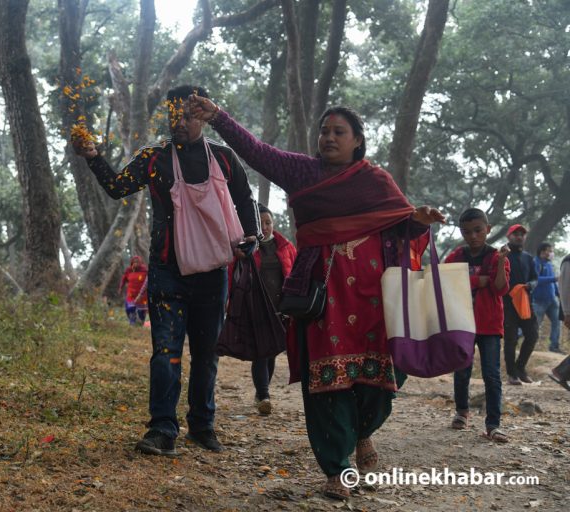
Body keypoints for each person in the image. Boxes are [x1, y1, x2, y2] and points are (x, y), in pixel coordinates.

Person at [188, 96, 444, 500]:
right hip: (323, 295)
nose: (328, 137)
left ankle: (362, 433)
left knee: (382, 380)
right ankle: (338, 468)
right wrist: (218, 116)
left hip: (375, 297)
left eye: (338, 132)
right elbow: (256, 151)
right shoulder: (303, 172)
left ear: (358, 141)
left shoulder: (376, 181)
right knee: (327, 380)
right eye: (324, 131)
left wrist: (418, 219)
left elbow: (399, 224)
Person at [73, 85, 260, 457]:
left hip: (211, 274)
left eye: (189, 115)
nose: (180, 121)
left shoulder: (223, 158)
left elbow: (245, 199)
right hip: (166, 272)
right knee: (165, 353)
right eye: (174, 114)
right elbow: (116, 187)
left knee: (206, 354)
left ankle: (202, 426)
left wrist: (252, 237)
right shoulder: (154, 158)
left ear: (204, 116)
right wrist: (93, 155)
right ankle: (162, 429)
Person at [444, 209, 510, 443]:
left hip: (490, 325)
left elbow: (500, 289)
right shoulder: (456, 257)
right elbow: (444, 281)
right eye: (466, 232)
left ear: (488, 229)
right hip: (462, 323)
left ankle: (493, 424)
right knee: (462, 371)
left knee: (492, 375)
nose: (472, 236)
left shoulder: (495, 257)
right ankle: (462, 412)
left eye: (478, 230)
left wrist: (501, 262)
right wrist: (477, 280)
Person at [249, 204, 297, 415]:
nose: (265, 227)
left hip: (280, 310)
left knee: (271, 354)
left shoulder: (286, 247)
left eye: (268, 222)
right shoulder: (247, 248)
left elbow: (295, 274)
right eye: (260, 223)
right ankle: (264, 394)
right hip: (256, 308)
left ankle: (261, 394)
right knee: (261, 352)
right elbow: (234, 275)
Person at [502, 224, 539, 385]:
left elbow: (535, 278)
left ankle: (520, 368)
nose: (519, 236)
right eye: (515, 234)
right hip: (507, 304)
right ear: (508, 236)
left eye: (522, 234)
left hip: (525, 303)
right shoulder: (501, 256)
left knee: (532, 335)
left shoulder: (528, 257)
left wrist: (530, 285)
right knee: (510, 339)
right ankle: (512, 374)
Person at [532, 243, 563, 353]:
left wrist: (558, 293)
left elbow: (553, 282)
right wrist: (554, 278)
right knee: (534, 325)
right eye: (549, 251)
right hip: (539, 300)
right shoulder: (536, 263)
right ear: (543, 251)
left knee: (557, 322)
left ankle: (554, 346)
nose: (551, 253)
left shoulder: (549, 264)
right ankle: (517, 338)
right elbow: (536, 280)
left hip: (552, 299)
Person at [549, 253, 570, 391]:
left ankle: (561, 372)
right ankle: (561, 372)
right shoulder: (568, 261)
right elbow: (565, 288)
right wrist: (567, 313)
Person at [119, 255, 148, 326]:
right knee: (130, 308)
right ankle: (132, 322)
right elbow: (124, 279)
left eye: (137, 262)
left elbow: (148, 282)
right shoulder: (129, 271)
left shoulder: (145, 271)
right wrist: (120, 287)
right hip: (131, 294)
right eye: (134, 262)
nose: (135, 264)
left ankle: (140, 323)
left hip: (142, 295)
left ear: (140, 263)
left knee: (142, 310)